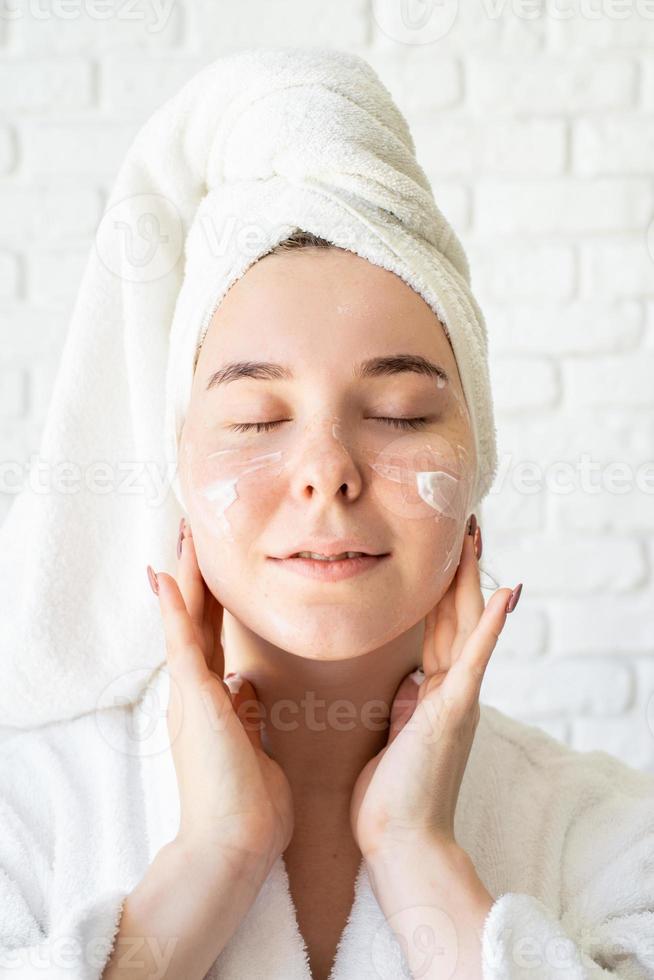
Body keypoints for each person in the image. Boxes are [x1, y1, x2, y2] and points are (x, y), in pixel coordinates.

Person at [1, 47, 653, 980]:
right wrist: (208, 867)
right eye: (257, 418)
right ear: (176, 467)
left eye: (399, 414)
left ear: (478, 464)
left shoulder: (617, 842)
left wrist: (421, 860)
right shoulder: (22, 817)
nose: (326, 474)